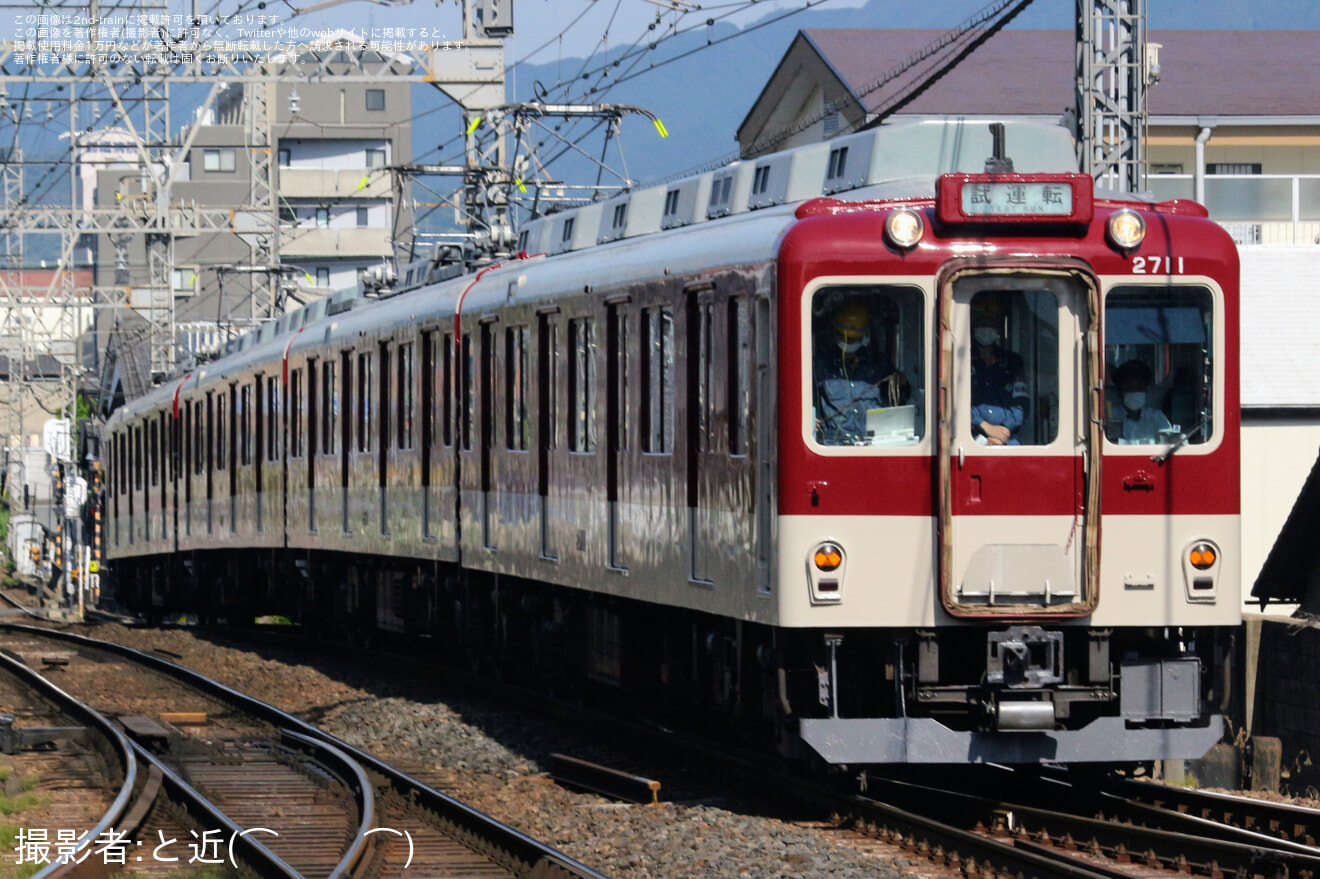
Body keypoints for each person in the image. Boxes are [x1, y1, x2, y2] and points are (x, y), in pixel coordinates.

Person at [814, 299, 908, 444]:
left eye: (854, 339)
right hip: (833, 444)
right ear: (835, 334)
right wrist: (809, 418)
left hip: (873, 442)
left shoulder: (879, 363)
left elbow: (898, 400)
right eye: (846, 338)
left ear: (864, 336)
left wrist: (903, 385)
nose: (850, 343)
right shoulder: (820, 365)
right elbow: (804, 399)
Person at [970, 301, 1029, 445]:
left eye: (990, 323)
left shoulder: (1013, 361)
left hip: (1007, 439)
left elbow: (1022, 402)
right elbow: (952, 402)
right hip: (970, 439)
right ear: (973, 326)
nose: (986, 329)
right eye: (981, 323)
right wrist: (984, 426)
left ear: (997, 327)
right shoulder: (960, 359)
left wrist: (1005, 430)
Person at [1111, 359, 1172, 444]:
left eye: (1139, 388)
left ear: (1146, 390)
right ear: (1119, 391)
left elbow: (1169, 443)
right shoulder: (1111, 417)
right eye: (1129, 387)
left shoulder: (1157, 417)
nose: (1134, 392)